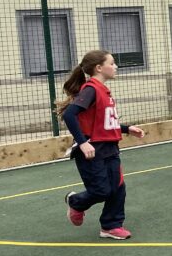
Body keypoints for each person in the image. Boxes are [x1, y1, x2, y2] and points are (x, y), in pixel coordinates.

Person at [59, 50, 145, 240]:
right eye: (112, 63)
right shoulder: (90, 89)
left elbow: (104, 122)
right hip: (91, 150)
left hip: (109, 148)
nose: (116, 67)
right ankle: (75, 202)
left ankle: (111, 225)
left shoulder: (104, 90)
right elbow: (69, 115)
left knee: (118, 187)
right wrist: (82, 143)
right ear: (99, 68)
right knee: (101, 191)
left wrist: (126, 128)